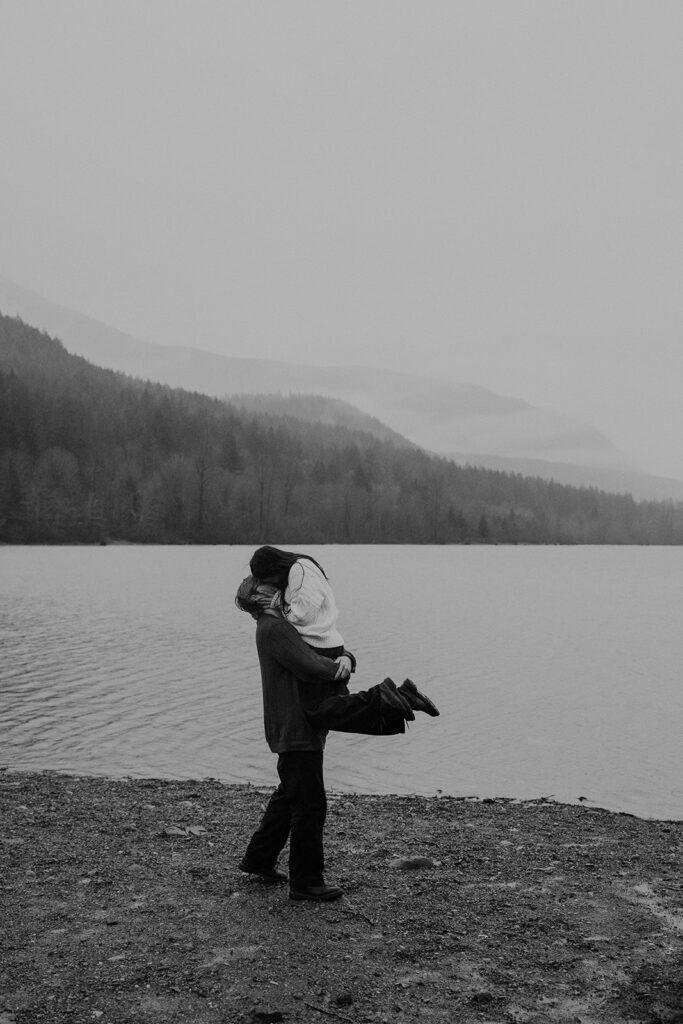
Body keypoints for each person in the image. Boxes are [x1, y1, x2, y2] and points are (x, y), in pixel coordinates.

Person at [235, 575, 439, 902]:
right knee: (310, 805)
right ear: (258, 595)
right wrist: (338, 669)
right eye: (269, 586)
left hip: (298, 724)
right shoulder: (274, 628)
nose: (278, 589)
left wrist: (347, 658)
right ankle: (306, 882)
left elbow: (323, 650)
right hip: (296, 728)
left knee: (291, 795)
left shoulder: (284, 626)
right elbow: (308, 663)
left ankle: (258, 858)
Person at [249, 545, 343, 652]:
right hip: (323, 641)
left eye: (268, 580)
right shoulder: (299, 569)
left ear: (273, 568)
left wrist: (279, 603)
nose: (272, 583)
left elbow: (304, 615)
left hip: (318, 644)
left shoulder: (299, 571)